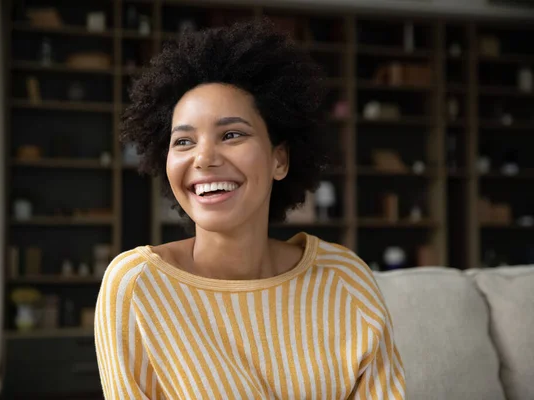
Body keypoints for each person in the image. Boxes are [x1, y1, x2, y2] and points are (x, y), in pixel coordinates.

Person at [94, 18, 405, 399]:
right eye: (184, 141)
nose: (204, 158)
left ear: (280, 160)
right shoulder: (138, 286)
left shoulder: (344, 279)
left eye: (231, 134)